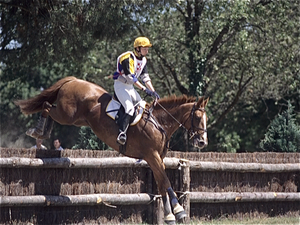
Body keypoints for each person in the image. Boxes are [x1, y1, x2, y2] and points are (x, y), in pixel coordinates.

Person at [113, 36, 160, 145]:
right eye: (145, 48)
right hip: (121, 86)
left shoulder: (143, 60)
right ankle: (121, 133)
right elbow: (131, 77)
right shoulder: (127, 58)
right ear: (137, 48)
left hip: (130, 87)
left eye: (147, 48)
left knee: (143, 106)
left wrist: (153, 92)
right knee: (129, 108)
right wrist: (144, 89)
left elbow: (145, 78)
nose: (147, 50)